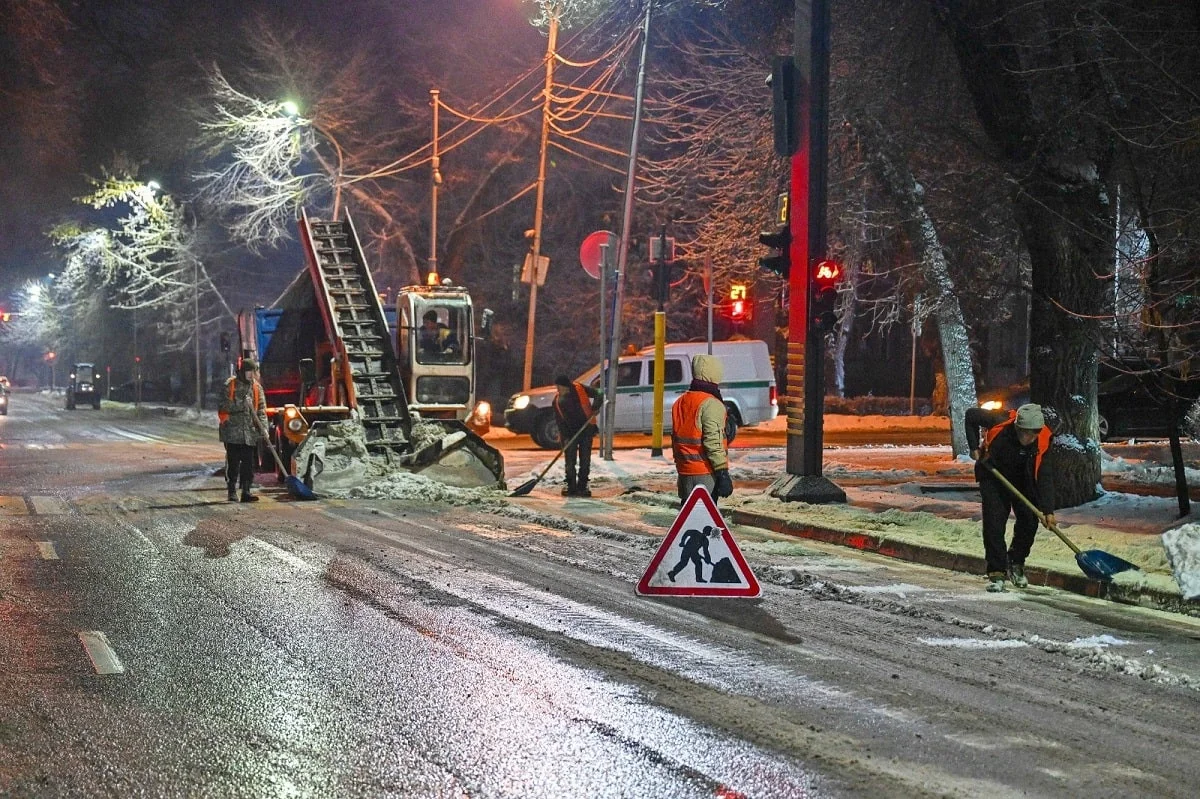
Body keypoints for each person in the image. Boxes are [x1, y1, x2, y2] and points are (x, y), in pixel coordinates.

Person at [965, 402, 1056, 592]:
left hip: (1023, 480)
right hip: (993, 475)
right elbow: (971, 415)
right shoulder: (1000, 420)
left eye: (1033, 433)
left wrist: (1048, 510)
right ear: (1017, 427)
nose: (1028, 437)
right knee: (994, 523)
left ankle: (1016, 561)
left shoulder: (1044, 440)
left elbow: (1046, 476)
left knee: (1030, 521)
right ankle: (997, 571)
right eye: (1024, 432)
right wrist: (974, 446)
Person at [671, 354, 732, 501]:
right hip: (705, 473)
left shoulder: (681, 401)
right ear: (714, 373)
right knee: (706, 519)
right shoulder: (711, 404)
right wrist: (722, 472)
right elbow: (713, 442)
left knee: (689, 519)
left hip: (684, 472)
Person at [219, 359, 268, 503]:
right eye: (248, 371)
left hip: (250, 433)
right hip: (232, 433)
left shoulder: (257, 388)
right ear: (242, 371)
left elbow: (261, 410)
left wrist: (264, 428)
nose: (251, 375)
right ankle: (232, 490)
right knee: (233, 463)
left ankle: (246, 491)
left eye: (253, 372)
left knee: (248, 464)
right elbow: (223, 407)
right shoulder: (230, 385)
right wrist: (242, 403)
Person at [553, 374, 602, 497]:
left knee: (585, 460)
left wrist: (595, 407)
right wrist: (565, 439)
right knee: (570, 461)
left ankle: (583, 485)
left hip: (586, 430)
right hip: (570, 434)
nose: (557, 390)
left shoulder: (579, 389)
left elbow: (599, 393)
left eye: (559, 387)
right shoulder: (557, 402)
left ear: (566, 386)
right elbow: (560, 423)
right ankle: (571, 485)